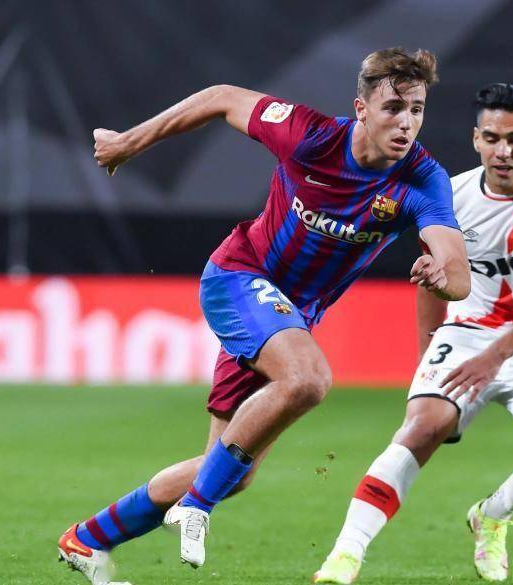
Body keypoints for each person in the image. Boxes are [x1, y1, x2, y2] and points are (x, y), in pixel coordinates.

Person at [55, 47, 469, 585]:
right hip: (239, 277)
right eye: (393, 108)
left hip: (286, 319)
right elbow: (222, 97)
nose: (406, 122)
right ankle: (195, 507)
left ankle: (87, 539)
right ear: (362, 108)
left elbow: (458, 275)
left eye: (416, 109)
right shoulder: (311, 136)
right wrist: (129, 142)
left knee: (234, 470)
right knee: (309, 379)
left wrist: (441, 274)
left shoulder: (422, 179)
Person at [313, 83, 513, 584]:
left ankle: (494, 514)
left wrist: (496, 357)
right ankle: (344, 557)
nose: (503, 151)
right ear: (475, 139)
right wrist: (427, 358)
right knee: (424, 426)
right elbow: (433, 278)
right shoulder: (451, 194)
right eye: (492, 138)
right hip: (466, 334)